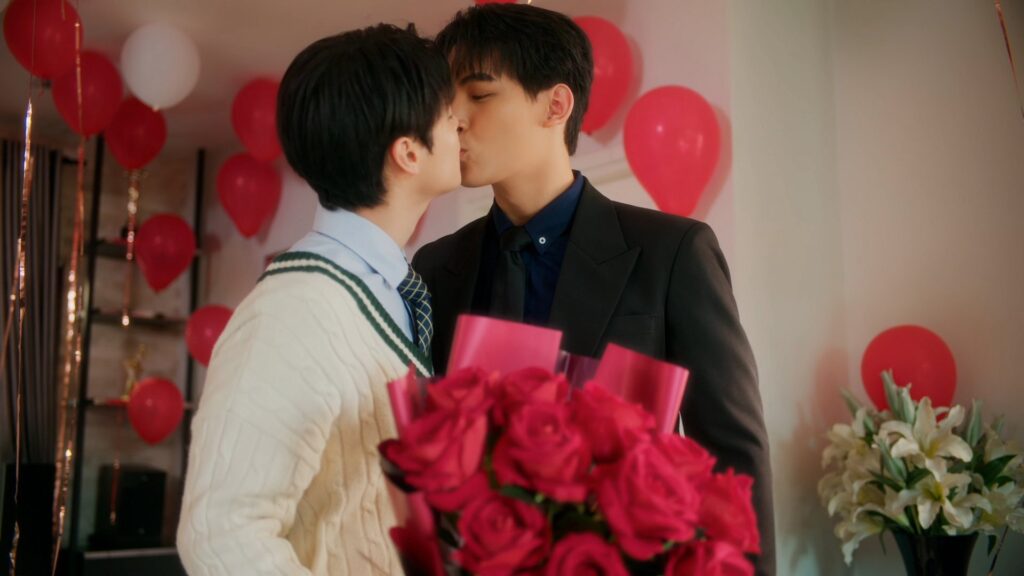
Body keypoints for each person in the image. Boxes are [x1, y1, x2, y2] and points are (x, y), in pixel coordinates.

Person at [412, 4, 775, 574]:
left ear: (556, 105)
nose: (454, 118)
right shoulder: (437, 267)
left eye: (478, 95)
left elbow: (732, 458)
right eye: (447, 99)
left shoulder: (672, 253)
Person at [177, 23, 460, 575]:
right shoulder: (293, 311)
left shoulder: (391, 291)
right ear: (408, 153)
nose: (462, 126)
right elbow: (220, 535)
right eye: (450, 116)